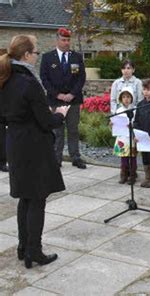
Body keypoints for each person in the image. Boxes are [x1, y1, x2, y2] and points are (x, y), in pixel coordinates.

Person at [0, 35, 70, 268]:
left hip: (16, 143)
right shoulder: (28, 82)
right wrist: (60, 114)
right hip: (34, 146)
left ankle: (24, 248)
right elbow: (46, 121)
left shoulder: (5, 79)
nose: (37, 55)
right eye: (36, 52)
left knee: (25, 198)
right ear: (27, 55)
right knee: (37, 199)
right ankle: (34, 251)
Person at [39, 27, 86, 169]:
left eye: (68, 40)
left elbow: (81, 77)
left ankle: (75, 157)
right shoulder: (48, 57)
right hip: (55, 100)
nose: (66, 43)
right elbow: (44, 78)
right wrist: (58, 95)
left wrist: (72, 94)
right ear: (57, 40)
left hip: (73, 100)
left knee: (73, 129)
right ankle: (56, 158)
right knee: (57, 131)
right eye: (63, 40)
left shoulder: (76, 57)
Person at [112, 87, 137, 185]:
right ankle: (124, 174)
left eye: (128, 97)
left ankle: (132, 175)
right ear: (121, 99)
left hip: (131, 137)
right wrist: (113, 123)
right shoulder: (119, 110)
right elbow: (116, 122)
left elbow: (137, 123)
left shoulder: (134, 110)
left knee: (132, 157)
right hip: (122, 137)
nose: (126, 99)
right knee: (123, 158)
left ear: (131, 98)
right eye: (124, 97)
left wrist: (132, 125)